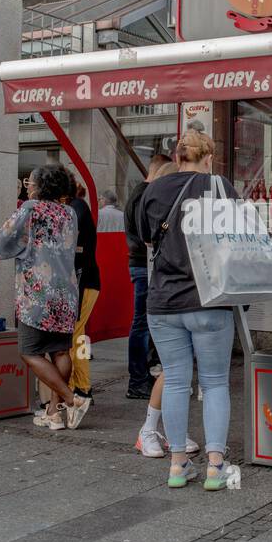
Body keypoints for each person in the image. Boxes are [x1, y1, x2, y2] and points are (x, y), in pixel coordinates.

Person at [136, 130, 237, 490]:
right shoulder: (219, 186)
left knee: (176, 381)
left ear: (178, 157)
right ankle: (215, 466)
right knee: (214, 383)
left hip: (164, 301)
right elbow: (235, 238)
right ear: (208, 157)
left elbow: (146, 238)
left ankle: (178, 464)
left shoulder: (153, 190)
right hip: (210, 299)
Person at [0, 164, 90, 431]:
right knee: (60, 349)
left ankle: (73, 400)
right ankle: (54, 413)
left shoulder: (30, 209)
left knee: (29, 351)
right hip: (66, 290)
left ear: (39, 186)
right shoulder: (69, 212)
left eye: (30, 183)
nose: (29, 186)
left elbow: (5, 240)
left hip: (38, 293)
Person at [124, 155, 170, 399]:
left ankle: (142, 375)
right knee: (141, 323)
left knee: (144, 323)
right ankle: (137, 380)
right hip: (144, 265)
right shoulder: (145, 195)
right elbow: (149, 235)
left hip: (142, 264)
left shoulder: (139, 193)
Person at [65, 177, 100, 399]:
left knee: (75, 335)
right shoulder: (78, 207)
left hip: (83, 282)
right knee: (80, 336)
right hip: (88, 281)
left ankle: (74, 386)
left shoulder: (76, 209)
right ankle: (83, 385)